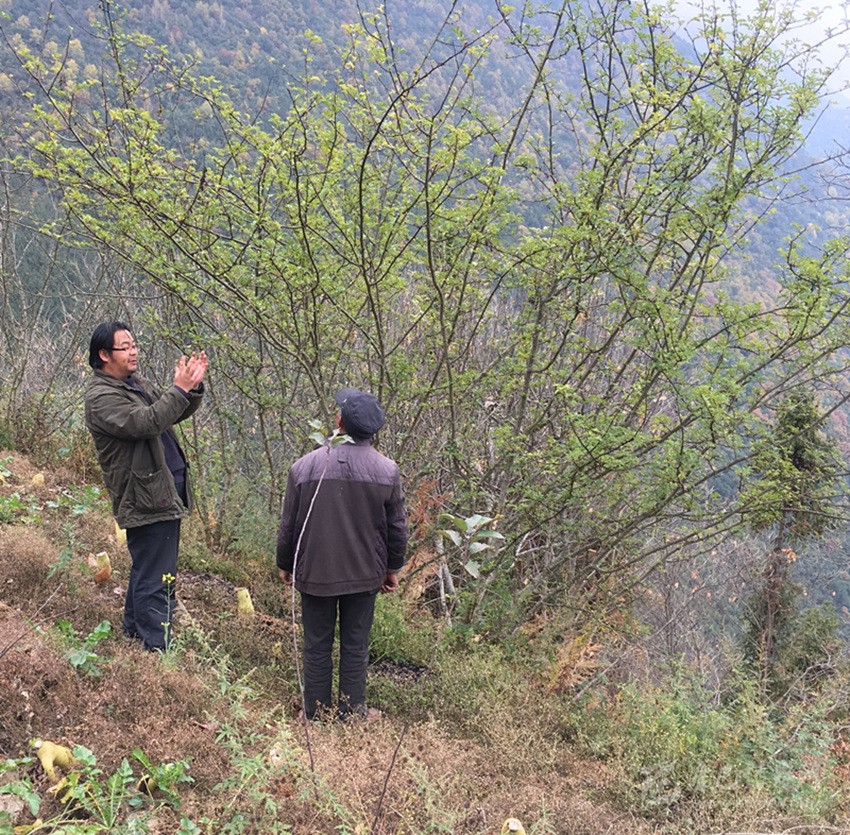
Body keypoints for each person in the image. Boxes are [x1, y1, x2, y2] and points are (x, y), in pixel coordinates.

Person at [277, 388, 408, 721]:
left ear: (339, 422)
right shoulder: (387, 471)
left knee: (316, 643)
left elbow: (289, 524)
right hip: (365, 574)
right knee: (355, 644)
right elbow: (397, 528)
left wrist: (285, 563)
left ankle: (315, 714)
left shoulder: (304, 467)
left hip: (315, 572)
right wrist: (392, 568)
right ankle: (352, 713)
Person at [84, 321, 208, 651]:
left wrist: (191, 388)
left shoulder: (131, 384)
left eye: (134, 345)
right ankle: (156, 650)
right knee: (157, 577)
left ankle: (133, 632)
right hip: (145, 495)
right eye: (125, 347)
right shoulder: (101, 397)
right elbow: (145, 423)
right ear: (104, 355)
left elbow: (166, 414)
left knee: (149, 568)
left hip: (161, 488)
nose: (134, 351)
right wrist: (178, 389)